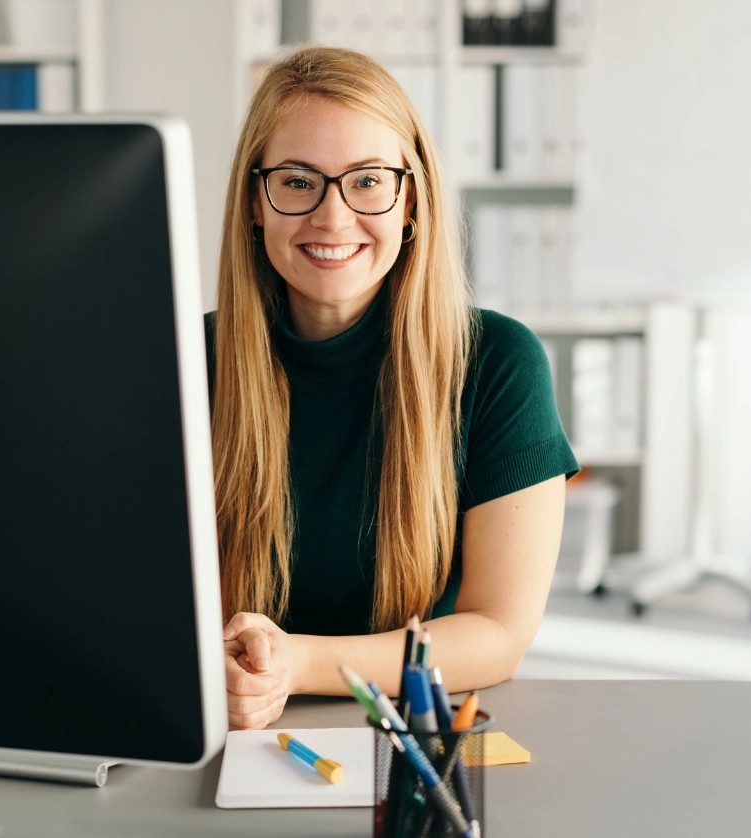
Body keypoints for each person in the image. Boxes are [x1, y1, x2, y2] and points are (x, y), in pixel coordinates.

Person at [207, 45, 579, 730]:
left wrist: (295, 665)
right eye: (296, 180)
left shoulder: (496, 362)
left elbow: (499, 635)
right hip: (226, 733)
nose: (332, 216)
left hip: (412, 739)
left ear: (410, 200)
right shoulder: (184, 362)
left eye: (367, 181)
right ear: (255, 203)